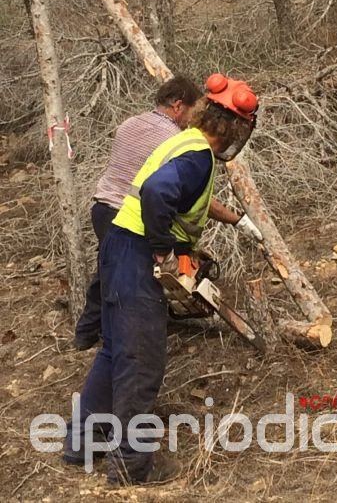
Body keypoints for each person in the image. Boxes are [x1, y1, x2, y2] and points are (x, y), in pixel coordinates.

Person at [64, 74, 261, 485]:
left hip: (119, 243)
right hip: (137, 252)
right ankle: (132, 465)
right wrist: (163, 250)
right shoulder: (198, 155)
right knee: (141, 359)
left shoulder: (184, 141)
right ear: (234, 128)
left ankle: (83, 441)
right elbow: (157, 192)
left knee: (115, 350)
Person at [74, 75, 262, 350]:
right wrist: (237, 220)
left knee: (108, 274)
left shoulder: (130, 124)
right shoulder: (179, 140)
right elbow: (173, 192)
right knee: (139, 285)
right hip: (134, 216)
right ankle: (131, 339)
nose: (193, 119)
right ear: (178, 105)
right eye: (191, 110)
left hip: (103, 208)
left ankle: (88, 334)